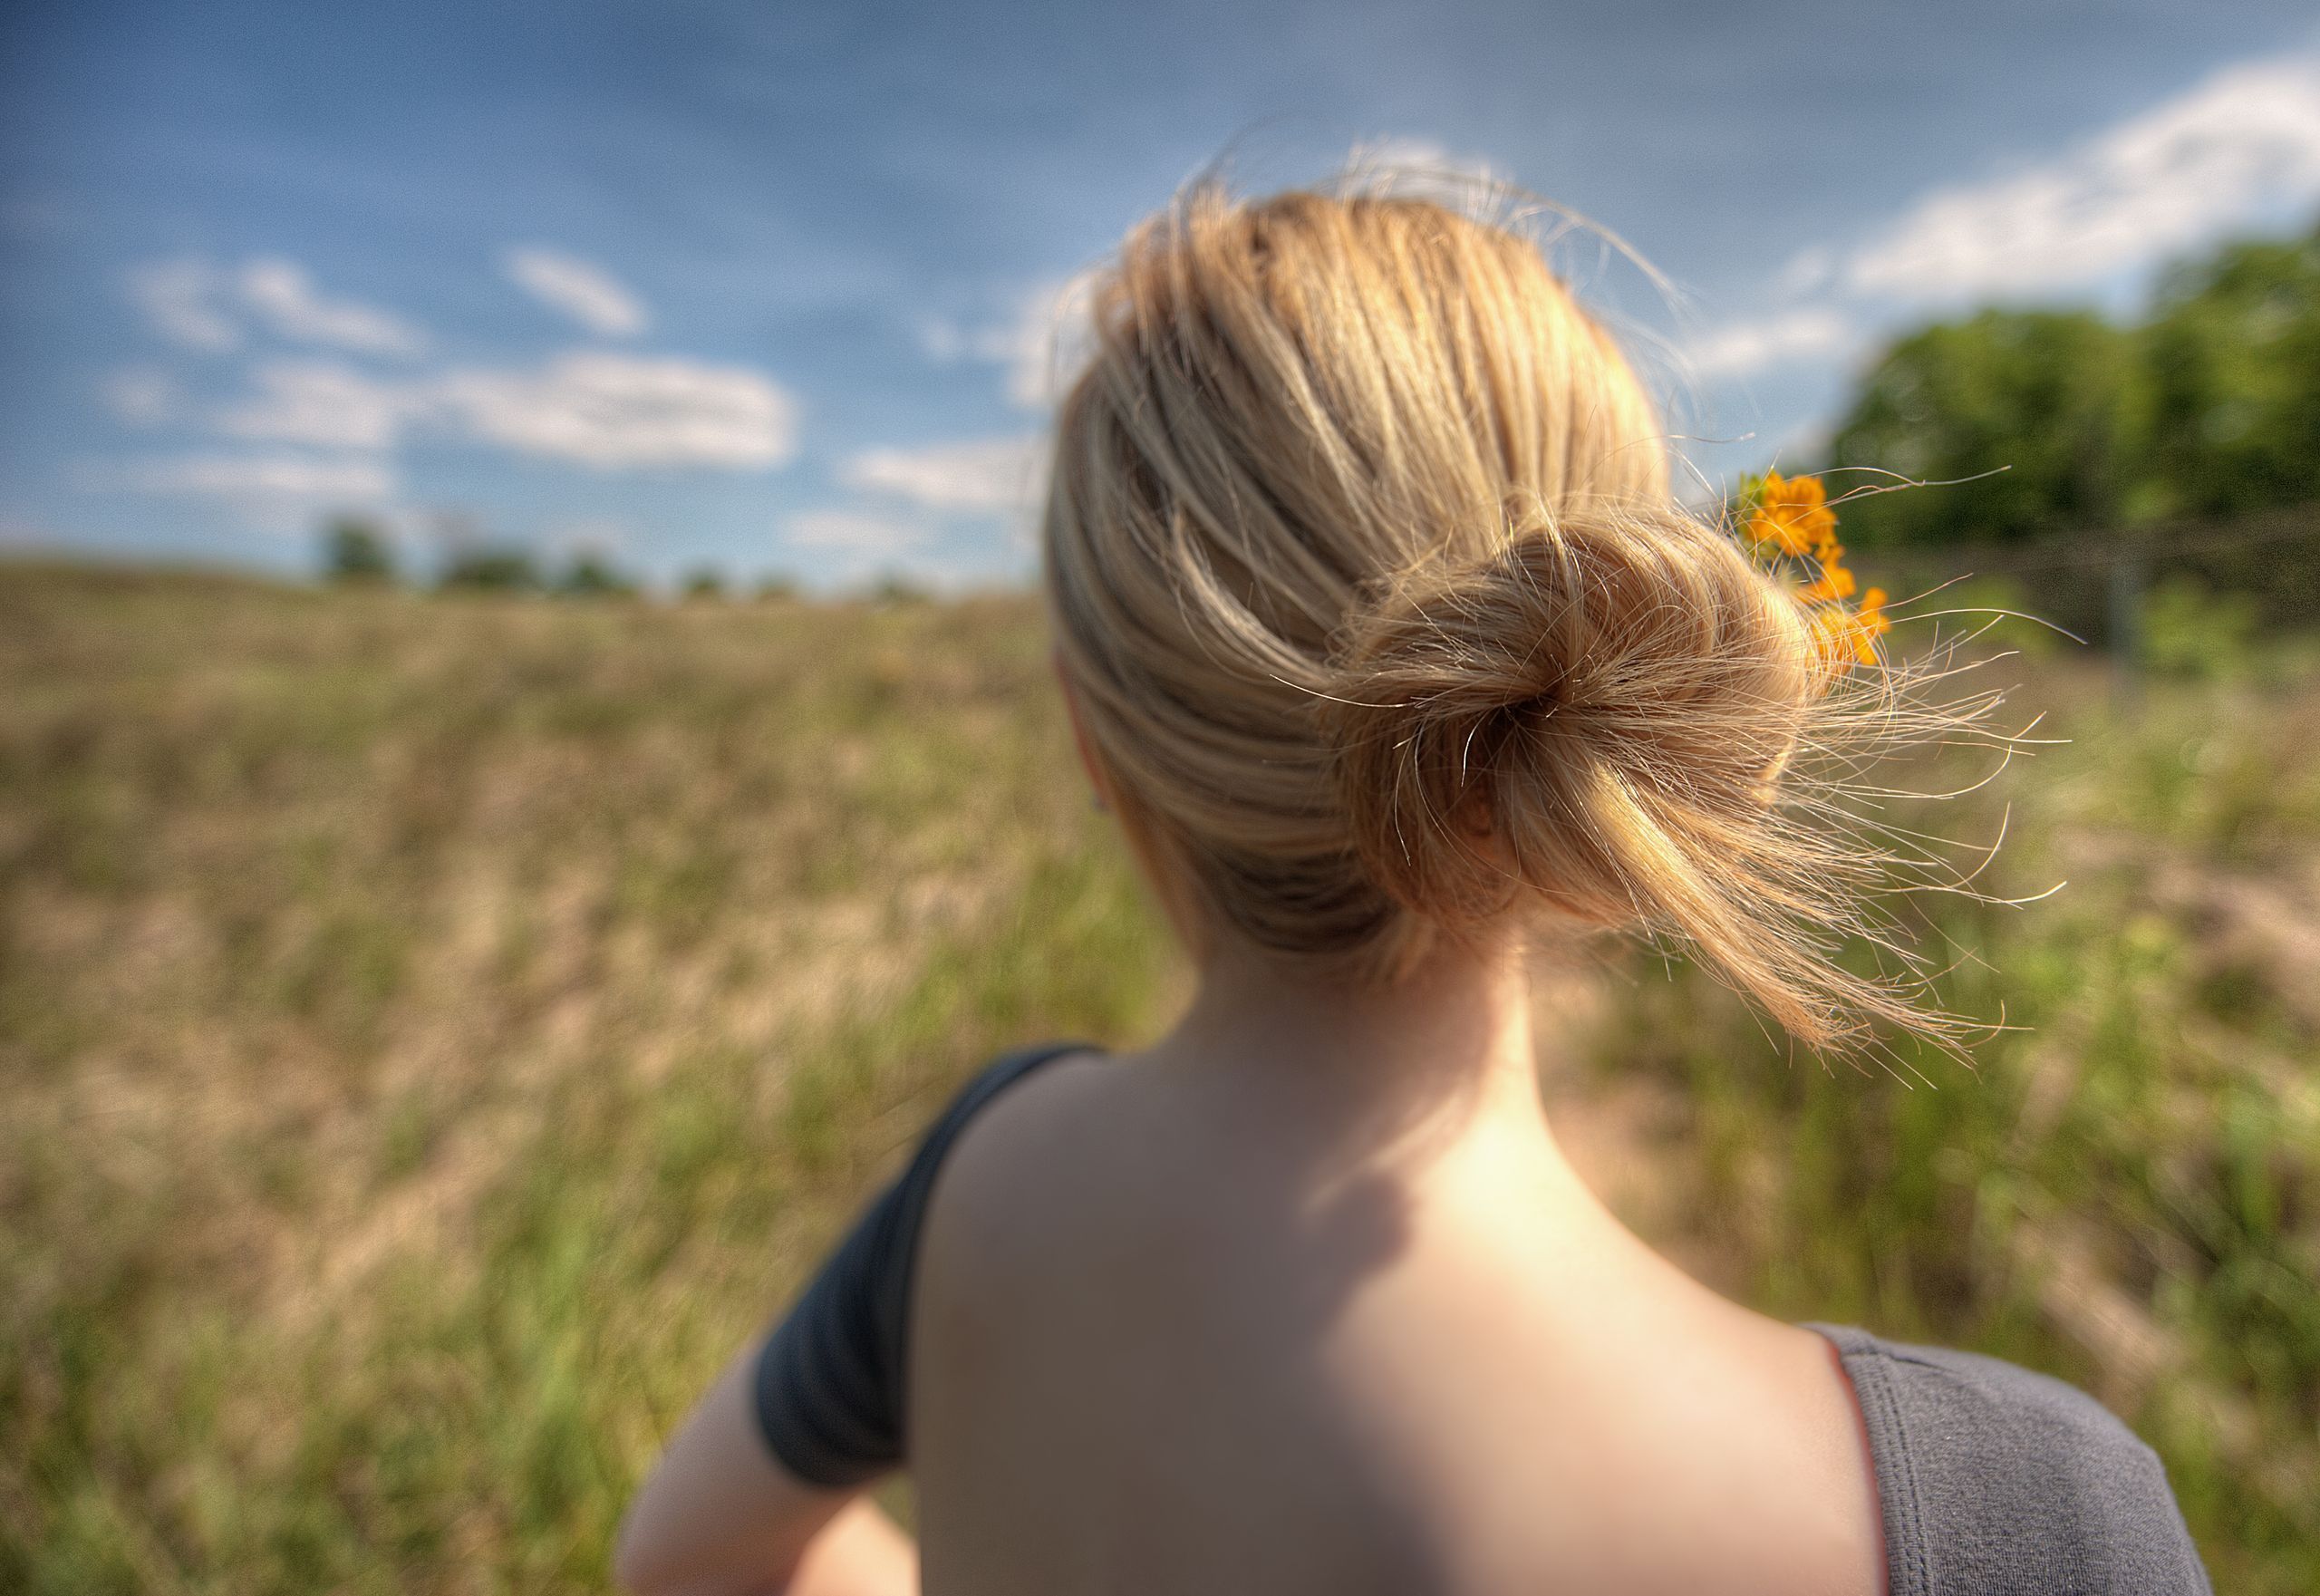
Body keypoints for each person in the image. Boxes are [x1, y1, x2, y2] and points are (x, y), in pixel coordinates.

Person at [613, 179, 2210, 1595]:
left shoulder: (970, 1190)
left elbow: (687, 1555)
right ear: (1611, 710)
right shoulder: (2019, 1523)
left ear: (1102, 743)